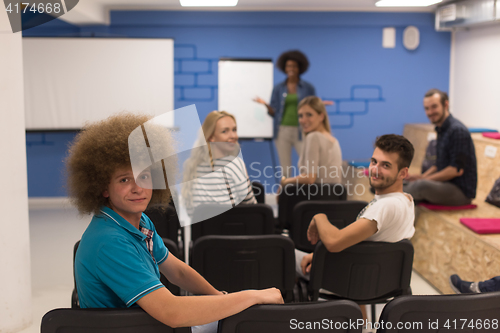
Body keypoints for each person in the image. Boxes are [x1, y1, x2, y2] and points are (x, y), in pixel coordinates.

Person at [67, 113, 282, 331]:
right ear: (103, 187)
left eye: (144, 176)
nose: (137, 188)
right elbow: (172, 312)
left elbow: (177, 272)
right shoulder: (109, 242)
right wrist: (252, 297)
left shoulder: (140, 222)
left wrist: (219, 297)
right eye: (124, 180)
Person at [296, 134, 416, 279]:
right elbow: (365, 248)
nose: (375, 170)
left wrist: (319, 217)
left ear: (403, 173)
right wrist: (317, 255)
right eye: (374, 162)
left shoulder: (385, 207)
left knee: (281, 254)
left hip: (346, 278)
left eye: (386, 165)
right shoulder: (407, 200)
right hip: (374, 277)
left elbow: (334, 242)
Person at [254, 50, 327, 178]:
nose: (291, 69)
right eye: (288, 66)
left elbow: (313, 106)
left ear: (299, 68)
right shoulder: (278, 88)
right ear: (284, 68)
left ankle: (307, 195)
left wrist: (319, 105)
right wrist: (265, 105)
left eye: (294, 66)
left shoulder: (308, 87)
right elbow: (274, 112)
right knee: (285, 169)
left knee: (307, 166)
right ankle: (287, 195)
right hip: (282, 131)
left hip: (303, 130)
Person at [404, 89, 477, 206]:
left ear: (445, 105)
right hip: (443, 184)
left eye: (434, 107)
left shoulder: (457, 131)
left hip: (460, 192)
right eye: (426, 108)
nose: (430, 112)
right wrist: (421, 176)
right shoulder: (441, 129)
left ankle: (388, 193)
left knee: (421, 186)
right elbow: (438, 165)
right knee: (406, 182)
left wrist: (423, 180)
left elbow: (455, 170)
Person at [182, 111, 257, 217]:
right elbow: (252, 208)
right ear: (211, 136)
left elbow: (190, 211)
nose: (233, 136)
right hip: (230, 230)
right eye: (224, 131)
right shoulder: (235, 165)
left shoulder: (191, 165)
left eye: (234, 130)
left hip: (201, 232)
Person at [280, 96, 342, 187]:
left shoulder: (313, 137)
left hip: (315, 198)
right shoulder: (334, 140)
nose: (303, 120)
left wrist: (284, 182)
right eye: (300, 116)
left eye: (309, 115)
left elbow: (310, 178)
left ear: (321, 116)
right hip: (332, 198)